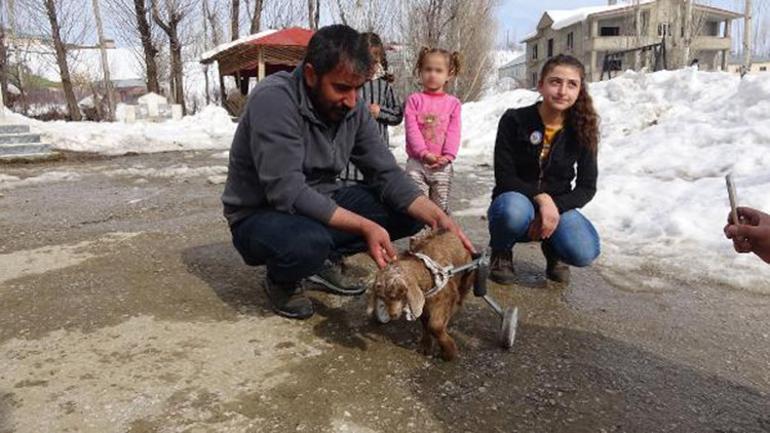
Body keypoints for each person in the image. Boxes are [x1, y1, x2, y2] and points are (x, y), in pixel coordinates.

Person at [221, 25, 473, 320]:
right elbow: (287, 191)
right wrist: (365, 227)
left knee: (407, 211)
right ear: (312, 75)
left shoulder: (351, 106)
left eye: (358, 88)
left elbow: (386, 172)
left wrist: (437, 216)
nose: (353, 100)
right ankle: (283, 279)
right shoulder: (274, 100)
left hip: (320, 202)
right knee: (307, 244)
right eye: (341, 88)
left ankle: (322, 258)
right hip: (262, 214)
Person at [487, 54, 601, 286]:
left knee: (583, 251)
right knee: (511, 212)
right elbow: (505, 176)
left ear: (580, 90)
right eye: (555, 81)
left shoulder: (583, 127)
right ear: (540, 85)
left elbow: (587, 186)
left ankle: (554, 249)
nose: (562, 91)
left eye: (572, 84)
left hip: (559, 206)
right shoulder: (514, 119)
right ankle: (501, 251)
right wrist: (541, 199)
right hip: (516, 199)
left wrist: (554, 207)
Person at [404, 47, 462, 212]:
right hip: (417, 163)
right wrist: (423, 153)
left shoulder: (453, 103)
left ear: (448, 75)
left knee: (440, 207)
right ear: (420, 71)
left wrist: (448, 156)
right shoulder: (414, 100)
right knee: (417, 205)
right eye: (428, 69)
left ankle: (438, 236)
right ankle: (418, 235)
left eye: (438, 70)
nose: (432, 74)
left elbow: (454, 131)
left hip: (442, 165)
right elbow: (412, 129)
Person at [340, 32, 403, 184]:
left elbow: (397, 115)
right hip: (346, 167)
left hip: (376, 165)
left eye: (374, 62)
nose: (369, 67)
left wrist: (380, 112)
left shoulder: (384, 86)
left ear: (380, 60)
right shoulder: (345, 83)